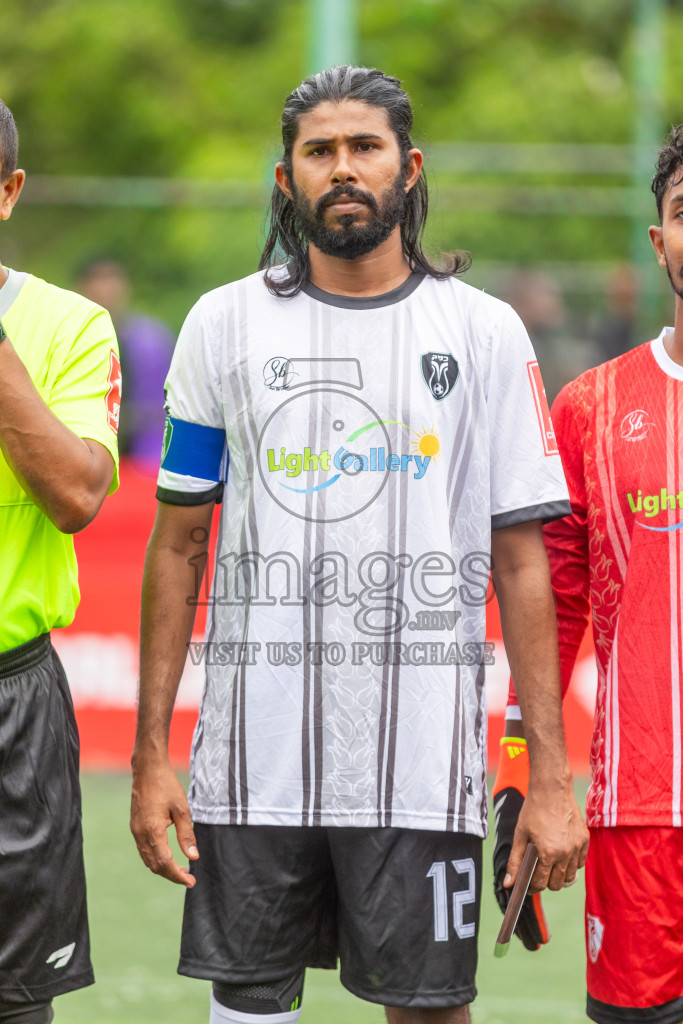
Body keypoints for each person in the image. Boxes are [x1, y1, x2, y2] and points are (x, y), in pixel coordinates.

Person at [130, 66, 588, 1024]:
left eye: (364, 148)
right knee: (248, 1006)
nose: (343, 169)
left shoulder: (485, 332)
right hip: (253, 766)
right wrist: (149, 758)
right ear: (285, 178)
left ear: (408, 168)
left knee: (426, 1011)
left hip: (421, 765)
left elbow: (520, 563)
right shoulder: (221, 324)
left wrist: (548, 773)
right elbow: (178, 545)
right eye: (319, 152)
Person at [496, 124, 683, 1023]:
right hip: (640, 815)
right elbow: (553, 611)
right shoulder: (593, 408)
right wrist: (527, 778)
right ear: (658, 241)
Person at [0, 101, 120, 1024]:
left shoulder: (68, 325)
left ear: (9, 194)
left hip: (11, 703)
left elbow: (78, 495)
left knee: (15, 993)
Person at [75, 258, 174, 466]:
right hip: (86, 459)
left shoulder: (153, 340)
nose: (106, 288)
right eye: (98, 279)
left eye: (112, 278)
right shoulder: (68, 340)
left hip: (145, 461)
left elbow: (168, 406)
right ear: (81, 288)